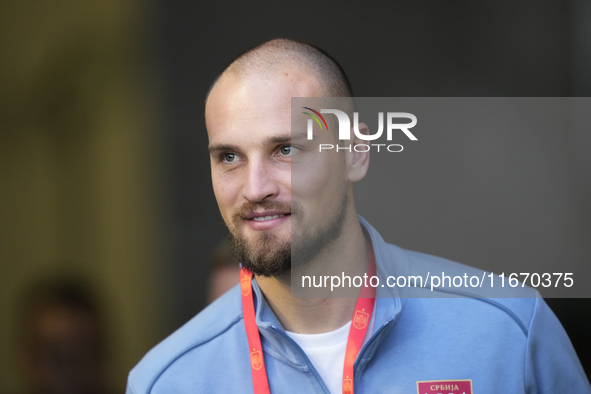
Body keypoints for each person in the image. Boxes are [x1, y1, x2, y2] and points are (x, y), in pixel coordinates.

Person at [126, 39, 590, 394]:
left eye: (286, 149)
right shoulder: (168, 381)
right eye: (229, 157)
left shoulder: (508, 332)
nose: (254, 188)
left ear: (356, 154)